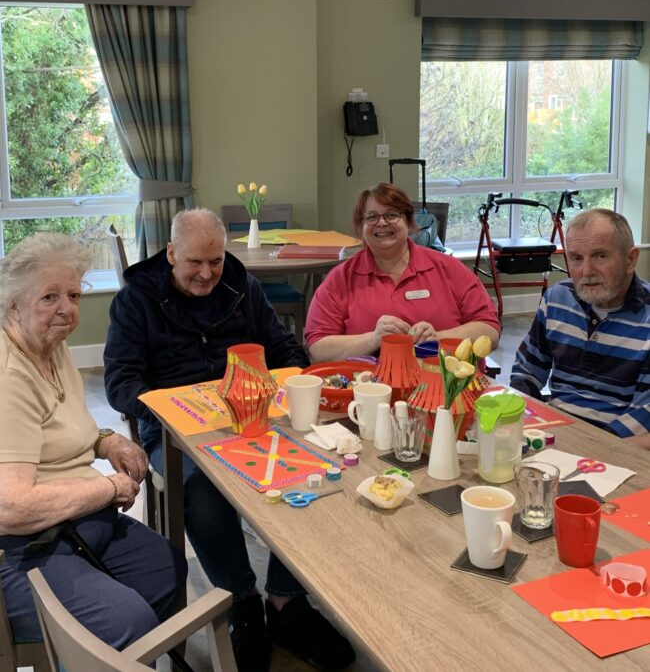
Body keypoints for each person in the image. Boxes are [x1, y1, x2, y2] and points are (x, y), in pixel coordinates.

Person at [104, 208, 355, 672]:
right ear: (171, 253)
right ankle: (241, 602)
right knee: (204, 491)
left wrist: (297, 378)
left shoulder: (242, 287)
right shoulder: (136, 300)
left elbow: (283, 349)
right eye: (195, 263)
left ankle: (286, 601)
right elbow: (120, 384)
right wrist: (180, 404)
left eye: (215, 262)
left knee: (316, 469)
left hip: (254, 416)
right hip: (175, 432)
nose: (207, 274)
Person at [0, 232, 187, 653]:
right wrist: (108, 487)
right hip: (20, 550)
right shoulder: (8, 377)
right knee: (129, 620)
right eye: (49, 297)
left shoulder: (50, 344)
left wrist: (108, 442)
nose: (66, 309)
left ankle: (115, 659)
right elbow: (10, 508)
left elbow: (61, 431)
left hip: (73, 526)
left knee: (168, 568)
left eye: (73, 295)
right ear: (13, 303)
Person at [305, 183, 500, 361]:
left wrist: (437, 338)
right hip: (367, 391)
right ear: (361, 226)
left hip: (444, 388)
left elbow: (490, 331)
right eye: (371, 217)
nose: (381, 223)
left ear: (408, 221)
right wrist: (374, 339)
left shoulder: (448, 268)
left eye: (391, 215)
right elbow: (318, 347)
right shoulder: (341, 279)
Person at [510, 208, 650, 449]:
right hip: (553, 432)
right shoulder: (556, 299)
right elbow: (527, 371)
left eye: (600, 256)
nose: (586, 271)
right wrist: (516, 418)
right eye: (576, 258)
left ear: (630, 259)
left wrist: (583, 446)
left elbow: (643, 414)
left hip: (618, 444)